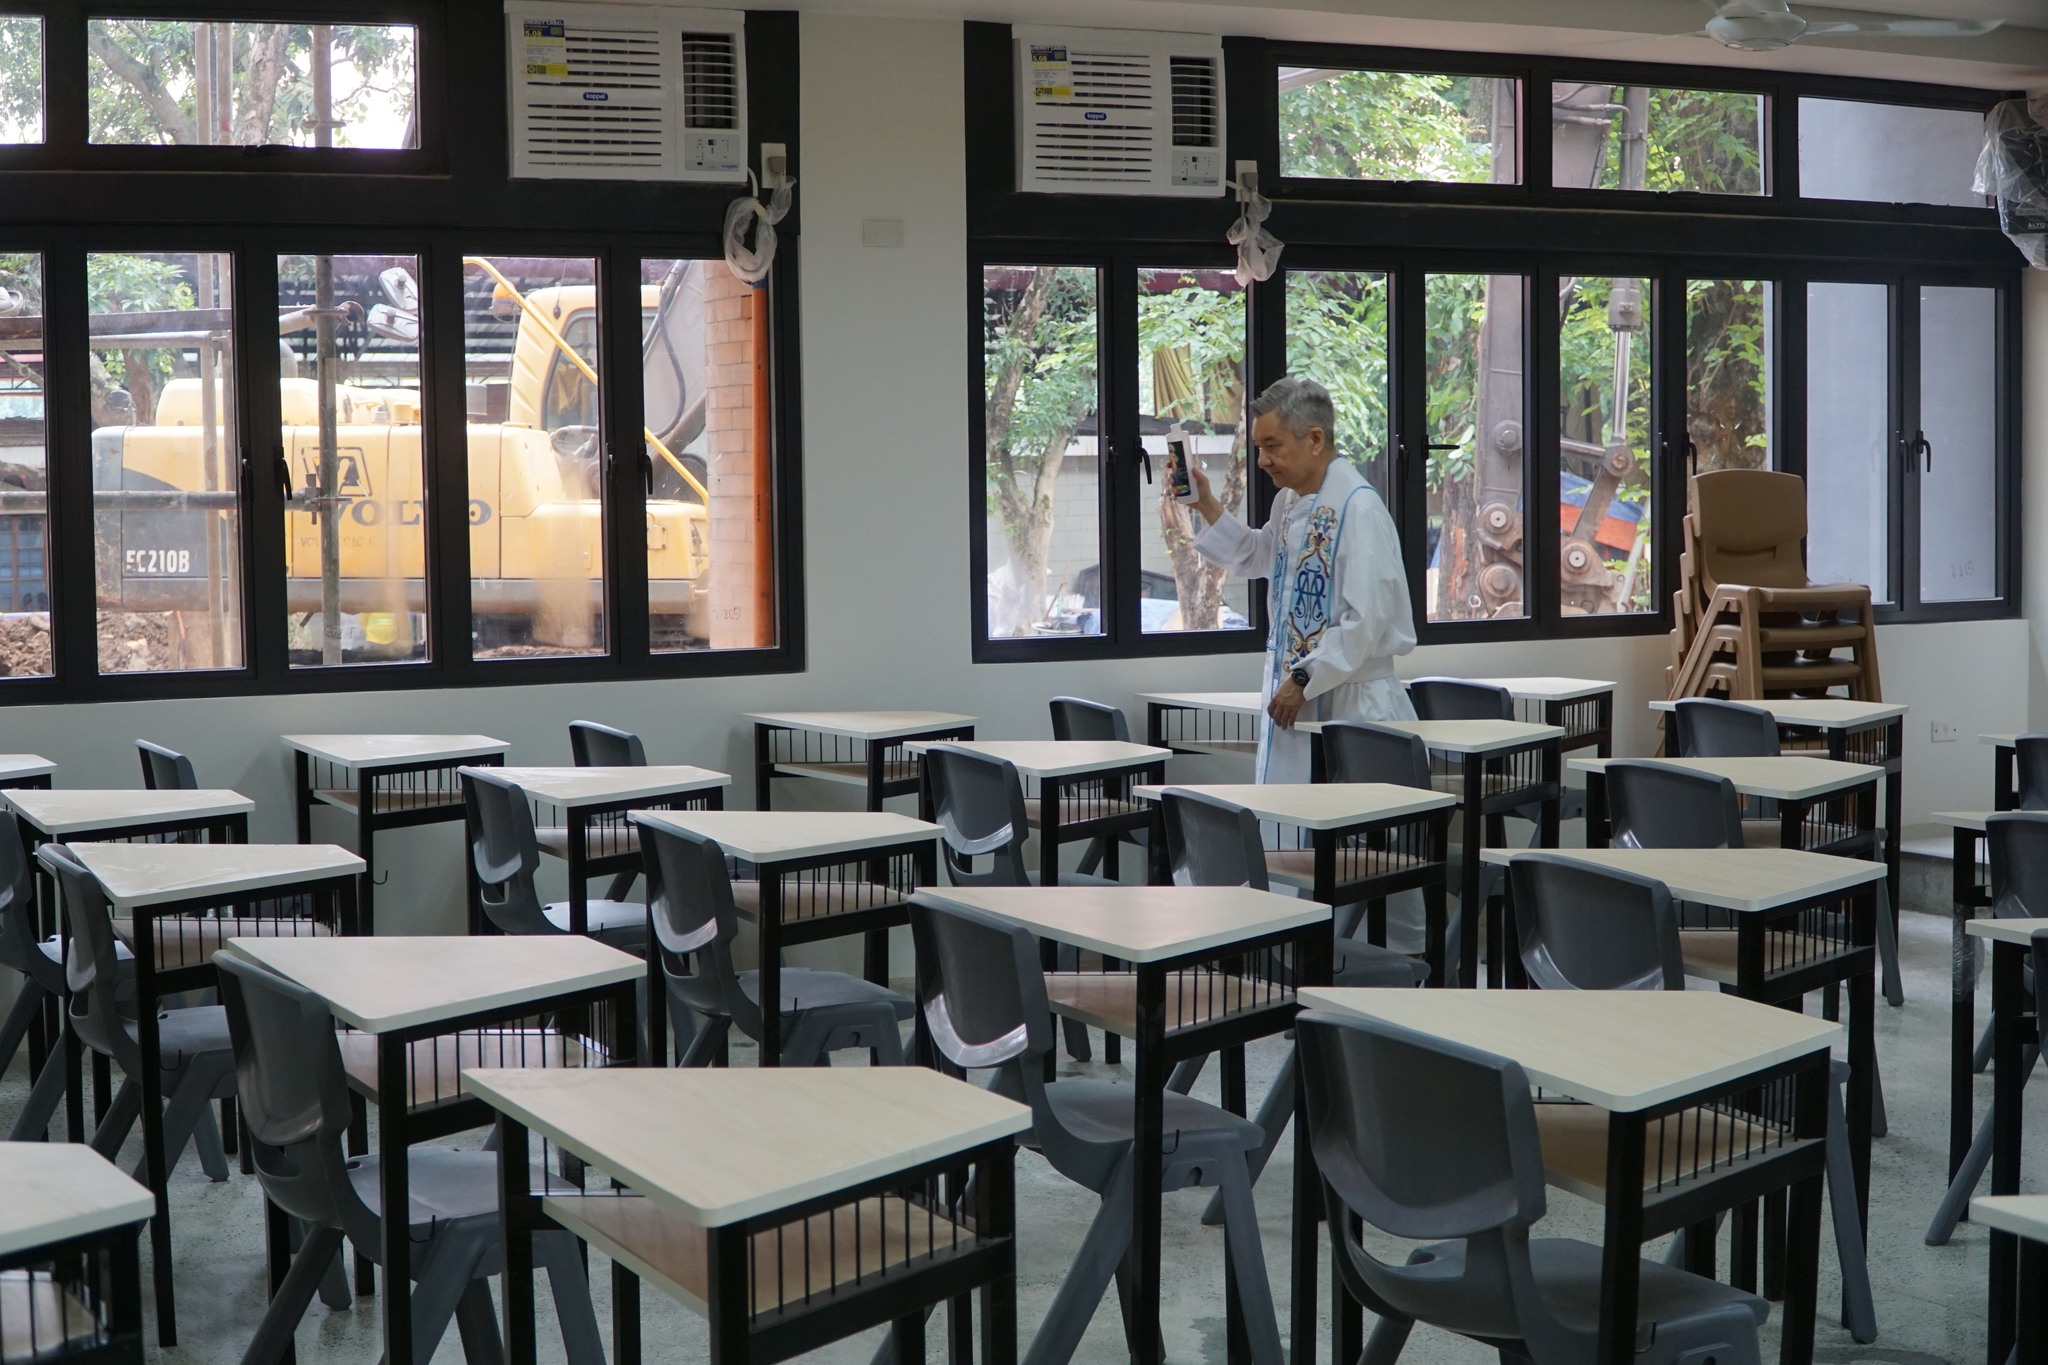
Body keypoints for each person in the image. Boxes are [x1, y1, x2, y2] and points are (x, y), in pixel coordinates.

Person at [1186, 376, 1417, 786]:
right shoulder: (1289, 502)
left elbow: (1366, 619)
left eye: (1272, 446)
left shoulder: (1358, 509)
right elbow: (1260, 555)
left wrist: (1305, 677)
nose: (1262, 461)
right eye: (1259, 448)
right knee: (1290, 827)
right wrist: (1205, 502)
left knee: (1353, 843)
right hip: (1298, 690)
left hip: (1353, 702)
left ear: (1314, 438)